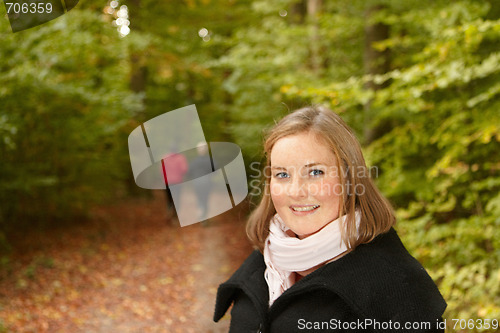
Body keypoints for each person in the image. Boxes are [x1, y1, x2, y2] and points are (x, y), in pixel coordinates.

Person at [213, 106, 446, 332]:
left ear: (350, 178)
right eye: (282, 174)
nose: (296, 191)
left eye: (315, 172)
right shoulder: (263, 264)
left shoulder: (397, 285)